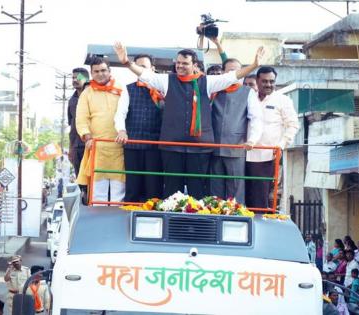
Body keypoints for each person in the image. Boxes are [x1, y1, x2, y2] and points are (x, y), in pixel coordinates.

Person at [114, 42, 264, 199]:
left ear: (194, 65)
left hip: (199, 148)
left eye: (185, 63)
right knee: (172, 192)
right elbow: (145, 75)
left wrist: (254, 65)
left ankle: (195, 224)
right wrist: (126, 62)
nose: (180, 66)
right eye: (178, 63)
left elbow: (232, 76)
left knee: (197, 191)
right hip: (172, 147)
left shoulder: (208, 82)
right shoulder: (166, 80)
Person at [209, 58, 263, 202]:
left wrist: (252, 139)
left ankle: (236, 219)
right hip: (212, 147)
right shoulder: (213, 90)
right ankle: (215, 217)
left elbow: (256, 118)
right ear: (223, 73)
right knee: (214, 189)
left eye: (237, 70)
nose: (235, 74)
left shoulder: (248, 92)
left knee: (236, 188)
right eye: (230, 71)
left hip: (236, 146)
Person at [245, 66, 299, 209]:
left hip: (267, 157)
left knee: (261, 198)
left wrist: (280, 145)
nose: (268, 85)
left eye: (272, 81)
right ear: (257, 80)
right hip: (243, 155)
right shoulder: (248, 97)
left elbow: (293, 125)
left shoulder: (283, 100)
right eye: (264, 81)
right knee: (242, 196)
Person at [76, 56, 126, 202]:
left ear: (110, 71)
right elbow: (81, 119)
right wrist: (87, 137)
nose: (100, 74)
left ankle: (118, 223)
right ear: (91, 73)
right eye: (96, 71)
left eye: (103, 70)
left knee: (119, 193)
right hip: (97, 146)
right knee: (98, 195)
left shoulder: (121, 89)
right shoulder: (87, 93)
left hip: (119, 146)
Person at [115, 54, 163, 202]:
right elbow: (120, 114)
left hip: (155, 145)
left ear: (152, 69)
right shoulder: (128, 89)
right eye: (138, 66)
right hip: (133, 144)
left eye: (144, 67)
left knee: (154, 188)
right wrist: (121, 130)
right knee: (133, 186)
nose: (141, 69)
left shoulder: (163, 88)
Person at [68, 67, 89, 178]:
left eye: (78, 77)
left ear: (86, 79)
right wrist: (70, 148)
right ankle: (83, 194)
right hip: (77, 145)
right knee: (79, 176)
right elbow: (72, 125)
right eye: (73, 78)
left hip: (91, 143)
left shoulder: (93, 95)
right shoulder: (72, 100)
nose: (75, 80)